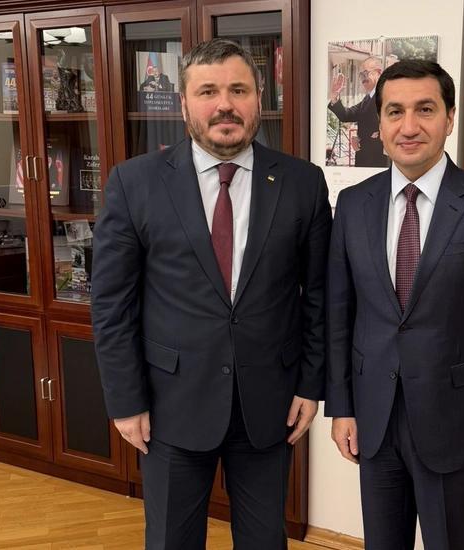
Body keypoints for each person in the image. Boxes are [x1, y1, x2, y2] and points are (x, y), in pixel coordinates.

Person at [91, 38, 331, 549]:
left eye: (238, 90)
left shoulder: (303, 183)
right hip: (170, 405)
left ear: (259, 98)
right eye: (208, 92)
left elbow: (318, 296)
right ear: (184, 104)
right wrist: (125, 400)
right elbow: (112, 305)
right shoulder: (134, 183)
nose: (225, 104)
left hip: (270, 405)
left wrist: (312, 385)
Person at [326, 60, 464, 550]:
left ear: (450, 117)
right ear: (379, 124)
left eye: (425, 109)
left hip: (455, 420)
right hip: (374, 416)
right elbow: (339, 313)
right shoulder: (352, 204)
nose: (409, 126)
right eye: (395, 112)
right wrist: (341, 407)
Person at [328, 57, 389, 168]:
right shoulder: (367, 99)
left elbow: (389, 130)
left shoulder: (387, 96)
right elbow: (346, 115)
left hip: (378, 163)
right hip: (364, 160)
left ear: (378, 73)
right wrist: (334, 97)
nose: (363, 79)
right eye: (361, 75)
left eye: (366, 73)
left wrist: (361, 140)